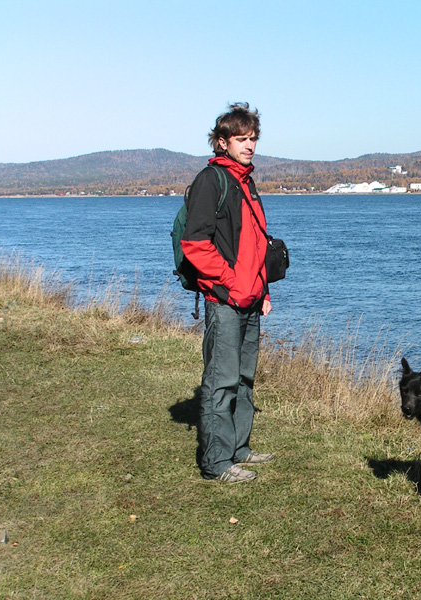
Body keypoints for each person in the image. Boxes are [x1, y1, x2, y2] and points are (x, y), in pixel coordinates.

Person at [181, 102, 275, 482]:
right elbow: (194, 243)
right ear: (222, 142)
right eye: (241, 139)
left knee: (244, 377)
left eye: (253, 138)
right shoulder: (212, 180)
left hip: (251, 299)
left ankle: (239, 449)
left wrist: (263, 290)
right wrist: (232, 283)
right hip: (225, 300)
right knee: (221, 380)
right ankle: (217, 464)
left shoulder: (245, 181)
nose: (249, 145)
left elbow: (256, 243)